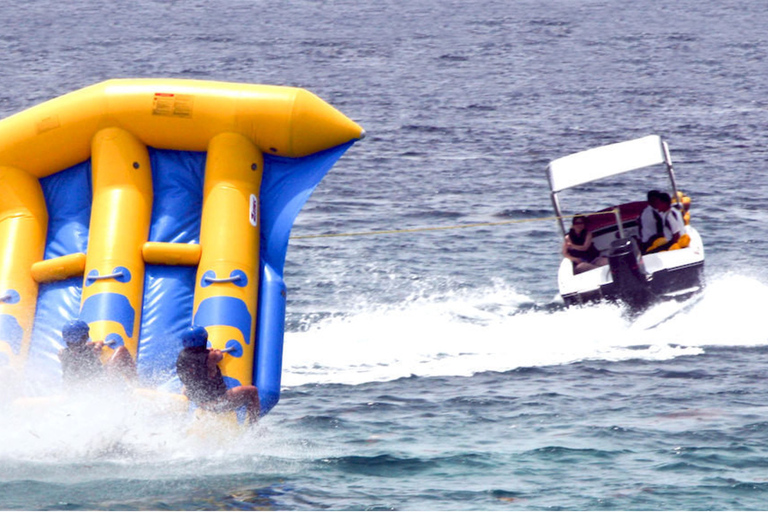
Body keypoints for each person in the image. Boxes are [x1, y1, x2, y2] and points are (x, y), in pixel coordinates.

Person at [175, 325, 260, 424]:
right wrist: (215, 353)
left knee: (191, 381)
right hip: (216, 403)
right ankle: (254, 426)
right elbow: (219, 356)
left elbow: (198, 360)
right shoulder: (211, 356)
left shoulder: (182, 356)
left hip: (196, 399)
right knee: (252, 391)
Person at [58, 319, 137, 386]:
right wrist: (97, 347)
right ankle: (135, 383)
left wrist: (97, 344)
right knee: (121, 351)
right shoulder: (92, 352)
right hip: (100, 386)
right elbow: (88, 348)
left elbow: (81, 347)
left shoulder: (63, 354)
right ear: (86, 336)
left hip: (74, 388)